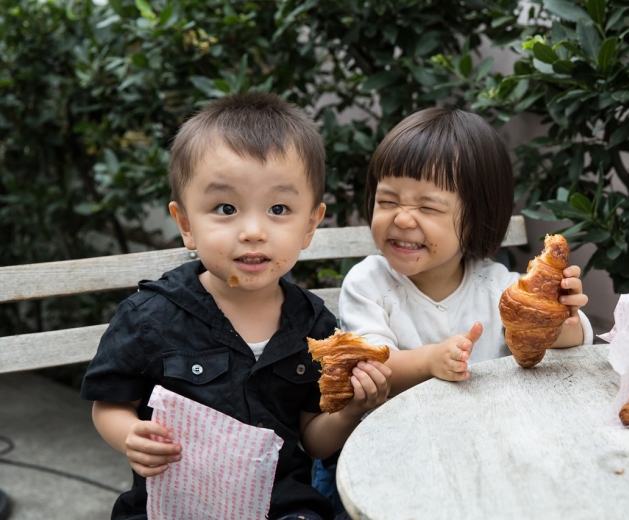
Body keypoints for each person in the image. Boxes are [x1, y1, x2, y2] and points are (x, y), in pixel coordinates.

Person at [80, 92, 390, 520]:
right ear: (187, 224)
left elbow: (313, 440)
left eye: (279, 209)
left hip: (280, 505)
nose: (253, 231)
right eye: (225, 208)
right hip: (174, 501)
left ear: (310, 225)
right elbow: (110, 403)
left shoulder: (313, 324)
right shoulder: (151, 315)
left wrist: (353, 409)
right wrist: (131, 434)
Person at [312, 107, 592, 509]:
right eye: (387, 200)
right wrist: (430, 361)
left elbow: (564, 345)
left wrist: (559, 315)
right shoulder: (369, 283)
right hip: (393, 455)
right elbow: (371, 368)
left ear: (476, 219)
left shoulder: (497, 285)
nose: (403, 219)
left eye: (428, 207)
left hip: (485, 451)